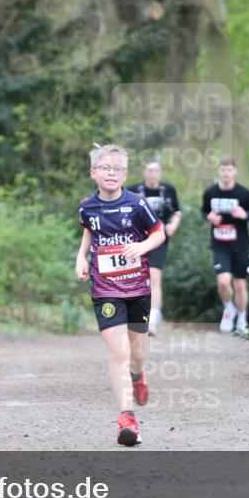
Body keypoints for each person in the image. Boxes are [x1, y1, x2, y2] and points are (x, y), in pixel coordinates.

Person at [76, 143, 165, 446]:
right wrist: (81, 258)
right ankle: (126, 418)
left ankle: (138, 376)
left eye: (117, 169)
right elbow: (89, 230)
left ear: (125, 174)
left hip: (137, 288)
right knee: (118, 353)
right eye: (104, 167)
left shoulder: (137, 204)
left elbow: (159, 233)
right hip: (105, 289)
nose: (111, 173)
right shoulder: (87, 206)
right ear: (93, 173)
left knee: (136, 354)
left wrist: (141, 247)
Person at [201, 156, 249, 334]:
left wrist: (245, 215)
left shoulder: (243, 193)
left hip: (241, 246)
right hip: (220, 245)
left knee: (240, 285)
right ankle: (229, 308)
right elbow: (203, 211)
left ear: (234, 172)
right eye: (223, 170)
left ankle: (242, 319)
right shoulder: (211, 192)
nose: (226, 173)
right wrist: (208, 217)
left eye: (229, 170)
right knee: (223, 281)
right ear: (219, 171)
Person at [128, 159, 182, 336]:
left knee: (154, 275)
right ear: (144, 172)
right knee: (137, 277)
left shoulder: (168, 190)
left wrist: (173, 225)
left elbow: (176, 212)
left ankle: (152, 319)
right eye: (149, 170)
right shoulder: (134, 190)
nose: (153, 174)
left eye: (156, 170)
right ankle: (135, 316)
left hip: (159, 238)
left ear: (160, 172)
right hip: (137, 239)